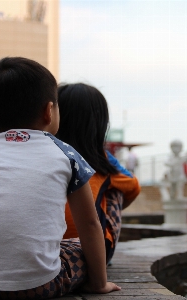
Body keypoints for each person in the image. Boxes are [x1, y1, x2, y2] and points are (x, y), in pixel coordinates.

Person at [0, 57, 120, 299]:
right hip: (38, 286)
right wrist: (99, 284)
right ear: (49, 111)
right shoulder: (67, 155)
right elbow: (90, 226)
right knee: (79, 247)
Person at [55, 83, 140, 264]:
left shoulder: (42, 153)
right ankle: (102, 253)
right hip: (84, 257)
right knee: (113, 189)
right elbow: (133, 187)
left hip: (40, 250)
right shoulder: (101, 161)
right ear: (100, 124)